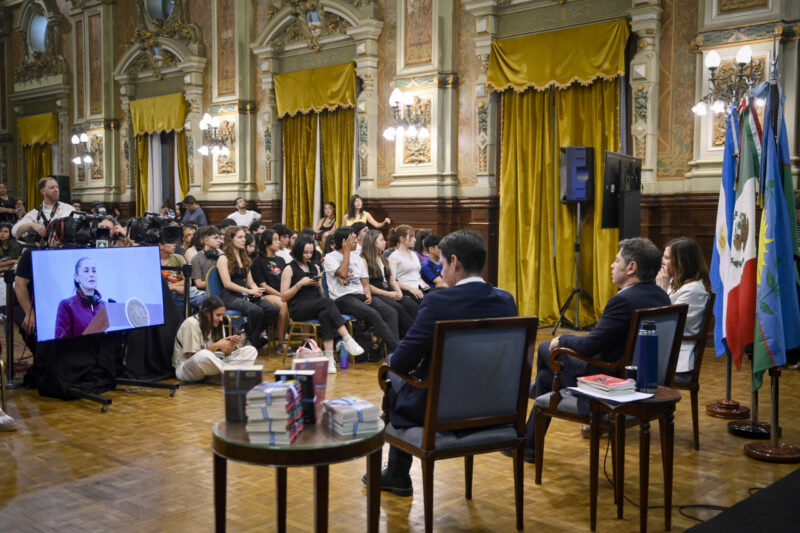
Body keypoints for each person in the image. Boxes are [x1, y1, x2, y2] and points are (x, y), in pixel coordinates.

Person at [367, 229, 517, 496]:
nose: (443, 271)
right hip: (495, 405)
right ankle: (397, 473)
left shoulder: (439, 302)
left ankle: (399, 474)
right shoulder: (506, 300)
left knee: (391, 366)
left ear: (455, 262)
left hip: (443, 410)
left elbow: (402, 361)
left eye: (444, 264)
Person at [514, 237, 671, 463]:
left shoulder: (623, 301)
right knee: (548, 377)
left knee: (545, 349)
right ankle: (530, 440)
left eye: (616, 260)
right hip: (644, 378)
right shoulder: (661, 295)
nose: (611, 265)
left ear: (631, 267)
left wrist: (563, 338)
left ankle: (530, 439)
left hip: (612, 382)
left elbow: (589, 346)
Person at [281, 235, 365, 372]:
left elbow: (320, 294)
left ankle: (330, 359)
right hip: (298, 307)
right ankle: (347, 338)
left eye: (311, 252)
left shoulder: (314, 267)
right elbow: (283, 297)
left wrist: (318, 285)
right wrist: (299, 284)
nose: (309, 255)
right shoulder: (289, 268)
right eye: (305, 252)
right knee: (327, 303)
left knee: (325, 313)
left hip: (315, 304)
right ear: (298, 251)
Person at [323, 226, 400, 353]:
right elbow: (342, 273)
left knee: (391, 312)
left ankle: (392, 353)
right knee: (372, 314)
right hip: (342, 298)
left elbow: (364, 279)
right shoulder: (330, 257)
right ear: (344, 242)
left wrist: (367, 292)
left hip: (359, 295)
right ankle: (397, 351)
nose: (357, 242)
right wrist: (346, 252)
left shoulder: (357, 257)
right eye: (353, 239)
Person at [217, 226, 279, 350]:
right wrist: (249, 291)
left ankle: (248, 334)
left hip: (244, 294)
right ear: (231, 239)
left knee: (272, 309)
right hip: (230, 296)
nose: (244, 240)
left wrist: (256, 290)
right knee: (256, 311)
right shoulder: (223, 258)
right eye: (240, 237)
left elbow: (250, 282)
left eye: (244, 237)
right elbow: (227, 284)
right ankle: (254, 339)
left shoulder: (244, 257)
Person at [656, 237, 710, 377]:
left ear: (681, 262)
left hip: (675, 354)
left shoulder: (693, 290)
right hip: (663, 346)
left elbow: (666, 322)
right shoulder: (674, 281)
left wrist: (660, 290)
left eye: (667, 257)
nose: (662, 261)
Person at [172, 296, 258, 383]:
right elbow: (193, 357)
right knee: (203, 355)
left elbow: (224, 354)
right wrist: (217, 345)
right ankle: (233, 374)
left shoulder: (218, 323)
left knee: (250, 350)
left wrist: (231, 346)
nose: (221, 319)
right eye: (218, 315)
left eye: (222, 315)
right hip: (187, 369)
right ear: (206, 312)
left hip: (213, 365)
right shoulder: (191, 323)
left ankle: (223, 375)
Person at [361, 229, 418, 338]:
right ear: (373, 242)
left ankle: (415, 336)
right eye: (381, 240)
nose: (385, 242)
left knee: (412, 305)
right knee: (398, 308)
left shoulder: (383, 258)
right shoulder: (364, 259)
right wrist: (388, 294)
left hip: (389, 290)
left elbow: (391, 279)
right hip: (377, 293)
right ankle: (410, 338)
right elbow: (366, 285)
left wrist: (398, 291)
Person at [251, 229, 289, 351]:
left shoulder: (281, 260)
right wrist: (282, 295)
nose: (279, 242)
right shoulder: (258, 261)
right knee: (283, 305)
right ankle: (282, 343)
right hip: (265, 295)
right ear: (267, 242)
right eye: (276, 240)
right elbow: (264, 285)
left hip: (282, 293)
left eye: (279, 239)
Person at [55, 257, 106, 339]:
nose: (91, 274)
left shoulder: (104, 305)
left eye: (94, 271)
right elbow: (61, 342)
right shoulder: (67, 305)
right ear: (76, 277)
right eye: (86, 271)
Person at [159, 242, 207, 312]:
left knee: (206, 299)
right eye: (170, 242)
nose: (175, 244)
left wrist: (173, 286)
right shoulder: (153, 260)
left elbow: (188, 281)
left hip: (180, 292)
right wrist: (170, 287)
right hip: (164, 293)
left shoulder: (178, 258)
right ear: (161, 245)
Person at [387, 225, 427, 303]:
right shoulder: (394, 256)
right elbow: (392, 281)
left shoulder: (414, 254)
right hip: (408, 289)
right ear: (402, 238)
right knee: (430, 302)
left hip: (421, 287)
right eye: (412, 237)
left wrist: (426, 285)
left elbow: (416, 274)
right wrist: (411, 289)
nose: (415, 240)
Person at [191, 226, 223, 290]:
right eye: (215, 238)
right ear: (206, 241)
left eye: (220, 238)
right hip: (207, 292)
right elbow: (199, 284)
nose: (220, 241)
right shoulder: (196, 259)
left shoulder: (222, 256)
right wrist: (223, 282)